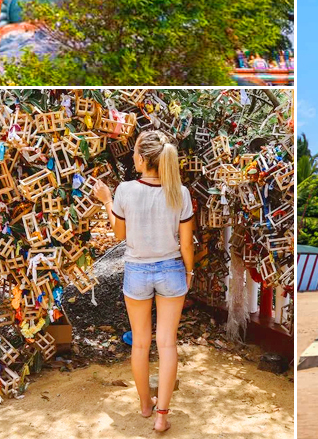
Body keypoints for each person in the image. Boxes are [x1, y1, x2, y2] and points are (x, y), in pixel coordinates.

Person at [103, 130, 194, 433]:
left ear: (142, 159)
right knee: (167, 344)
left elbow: (119, 235)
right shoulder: (179, 192)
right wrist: (189, 273)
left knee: (140, 344)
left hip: (137, 272)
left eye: (134, 154)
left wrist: (106, 200)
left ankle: (145, 405)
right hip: (171, 270)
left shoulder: (125, 190)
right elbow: (186, 245)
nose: (132, 158)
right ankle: (162, 416)